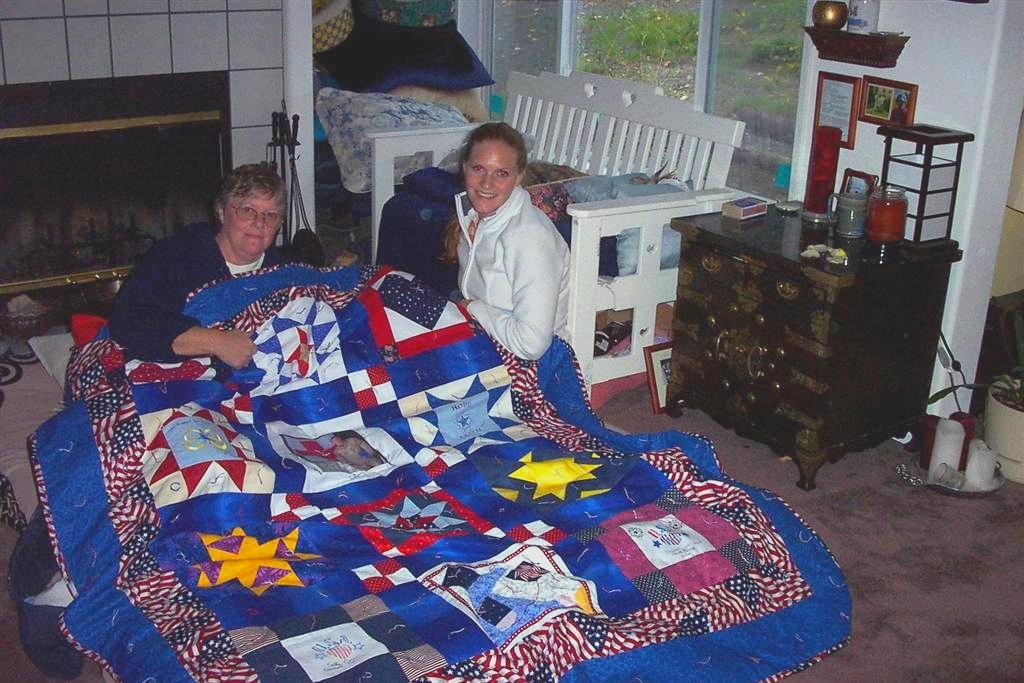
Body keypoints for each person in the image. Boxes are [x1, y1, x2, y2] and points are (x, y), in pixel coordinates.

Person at [109, 163, 286, 366]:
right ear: (221, 212)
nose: (260, 222)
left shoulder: (285, 274)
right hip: (182, 377)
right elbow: (128, 320)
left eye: (271, 215)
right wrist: (216, 342)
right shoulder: (177, 257)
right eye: (247, 210)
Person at [440, 122, 569, 361]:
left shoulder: (529, 237)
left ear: (519, 177)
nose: (486, 184)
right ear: (464, 167)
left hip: (532, 366)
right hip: (484, 340)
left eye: (501, 173)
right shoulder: (473, 216)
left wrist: (471, 307)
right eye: (478, 168)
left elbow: (531, 344)